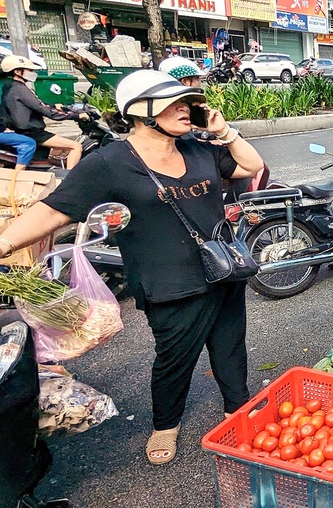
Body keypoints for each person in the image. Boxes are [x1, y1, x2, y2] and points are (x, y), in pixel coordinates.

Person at [0, 70, 263, 465]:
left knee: (230, 349)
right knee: (175, 360)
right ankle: (166, 425)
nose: (187, 108)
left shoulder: (198, 147)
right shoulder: (109, 163)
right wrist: (4, 243)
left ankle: (237, 410)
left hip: (223, 271)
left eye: (187, 101)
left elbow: (250, 166)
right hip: (169, 284)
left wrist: (225, 131)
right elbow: (55, 210)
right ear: (140, 111)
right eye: (174, 102)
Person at [1, 55, 88, 169]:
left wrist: (54, 105)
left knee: (60, 147)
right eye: (30, 70)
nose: (32, 72)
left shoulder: (10, 86)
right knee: (75, 146)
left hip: (22, 130)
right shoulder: (20, 89)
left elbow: (37, 103)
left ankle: (54, 168)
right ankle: (68, 179)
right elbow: (44, 110)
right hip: (31, 132)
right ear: (18, 71)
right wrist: (76, 115)